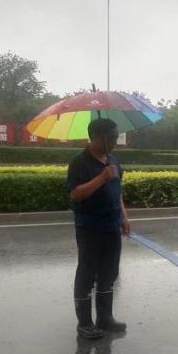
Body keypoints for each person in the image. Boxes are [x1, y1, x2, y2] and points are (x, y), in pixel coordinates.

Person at [68, 118, 130, 340]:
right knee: (87, 273)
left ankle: (105, 318)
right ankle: (85, 323)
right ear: (95, 137)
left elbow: (117, 192)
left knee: (109, 272)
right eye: (111, 138)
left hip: (112, 226)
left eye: (115, 138)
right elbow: (75, 194)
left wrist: (123, 216)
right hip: (90, 227)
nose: (114, 142)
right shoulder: (80, 162)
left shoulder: (112, 160)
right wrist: (101, 177)